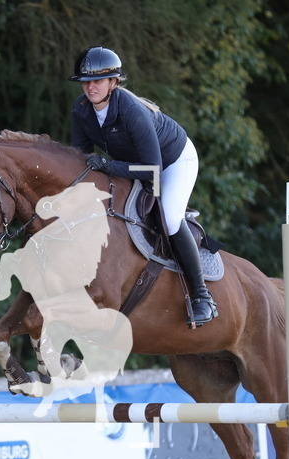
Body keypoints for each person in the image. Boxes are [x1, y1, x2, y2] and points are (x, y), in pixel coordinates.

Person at [68, 45, 217, 328]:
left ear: (113, 82)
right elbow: (81, 160)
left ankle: (202, 297)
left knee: (170, 218)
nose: (90, 87)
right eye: (86, 82)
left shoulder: (131, 111)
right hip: (133, 164)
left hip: (173, 162)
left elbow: (153, 171)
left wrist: (107, 166)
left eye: (97, 81)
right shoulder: (81, 111)